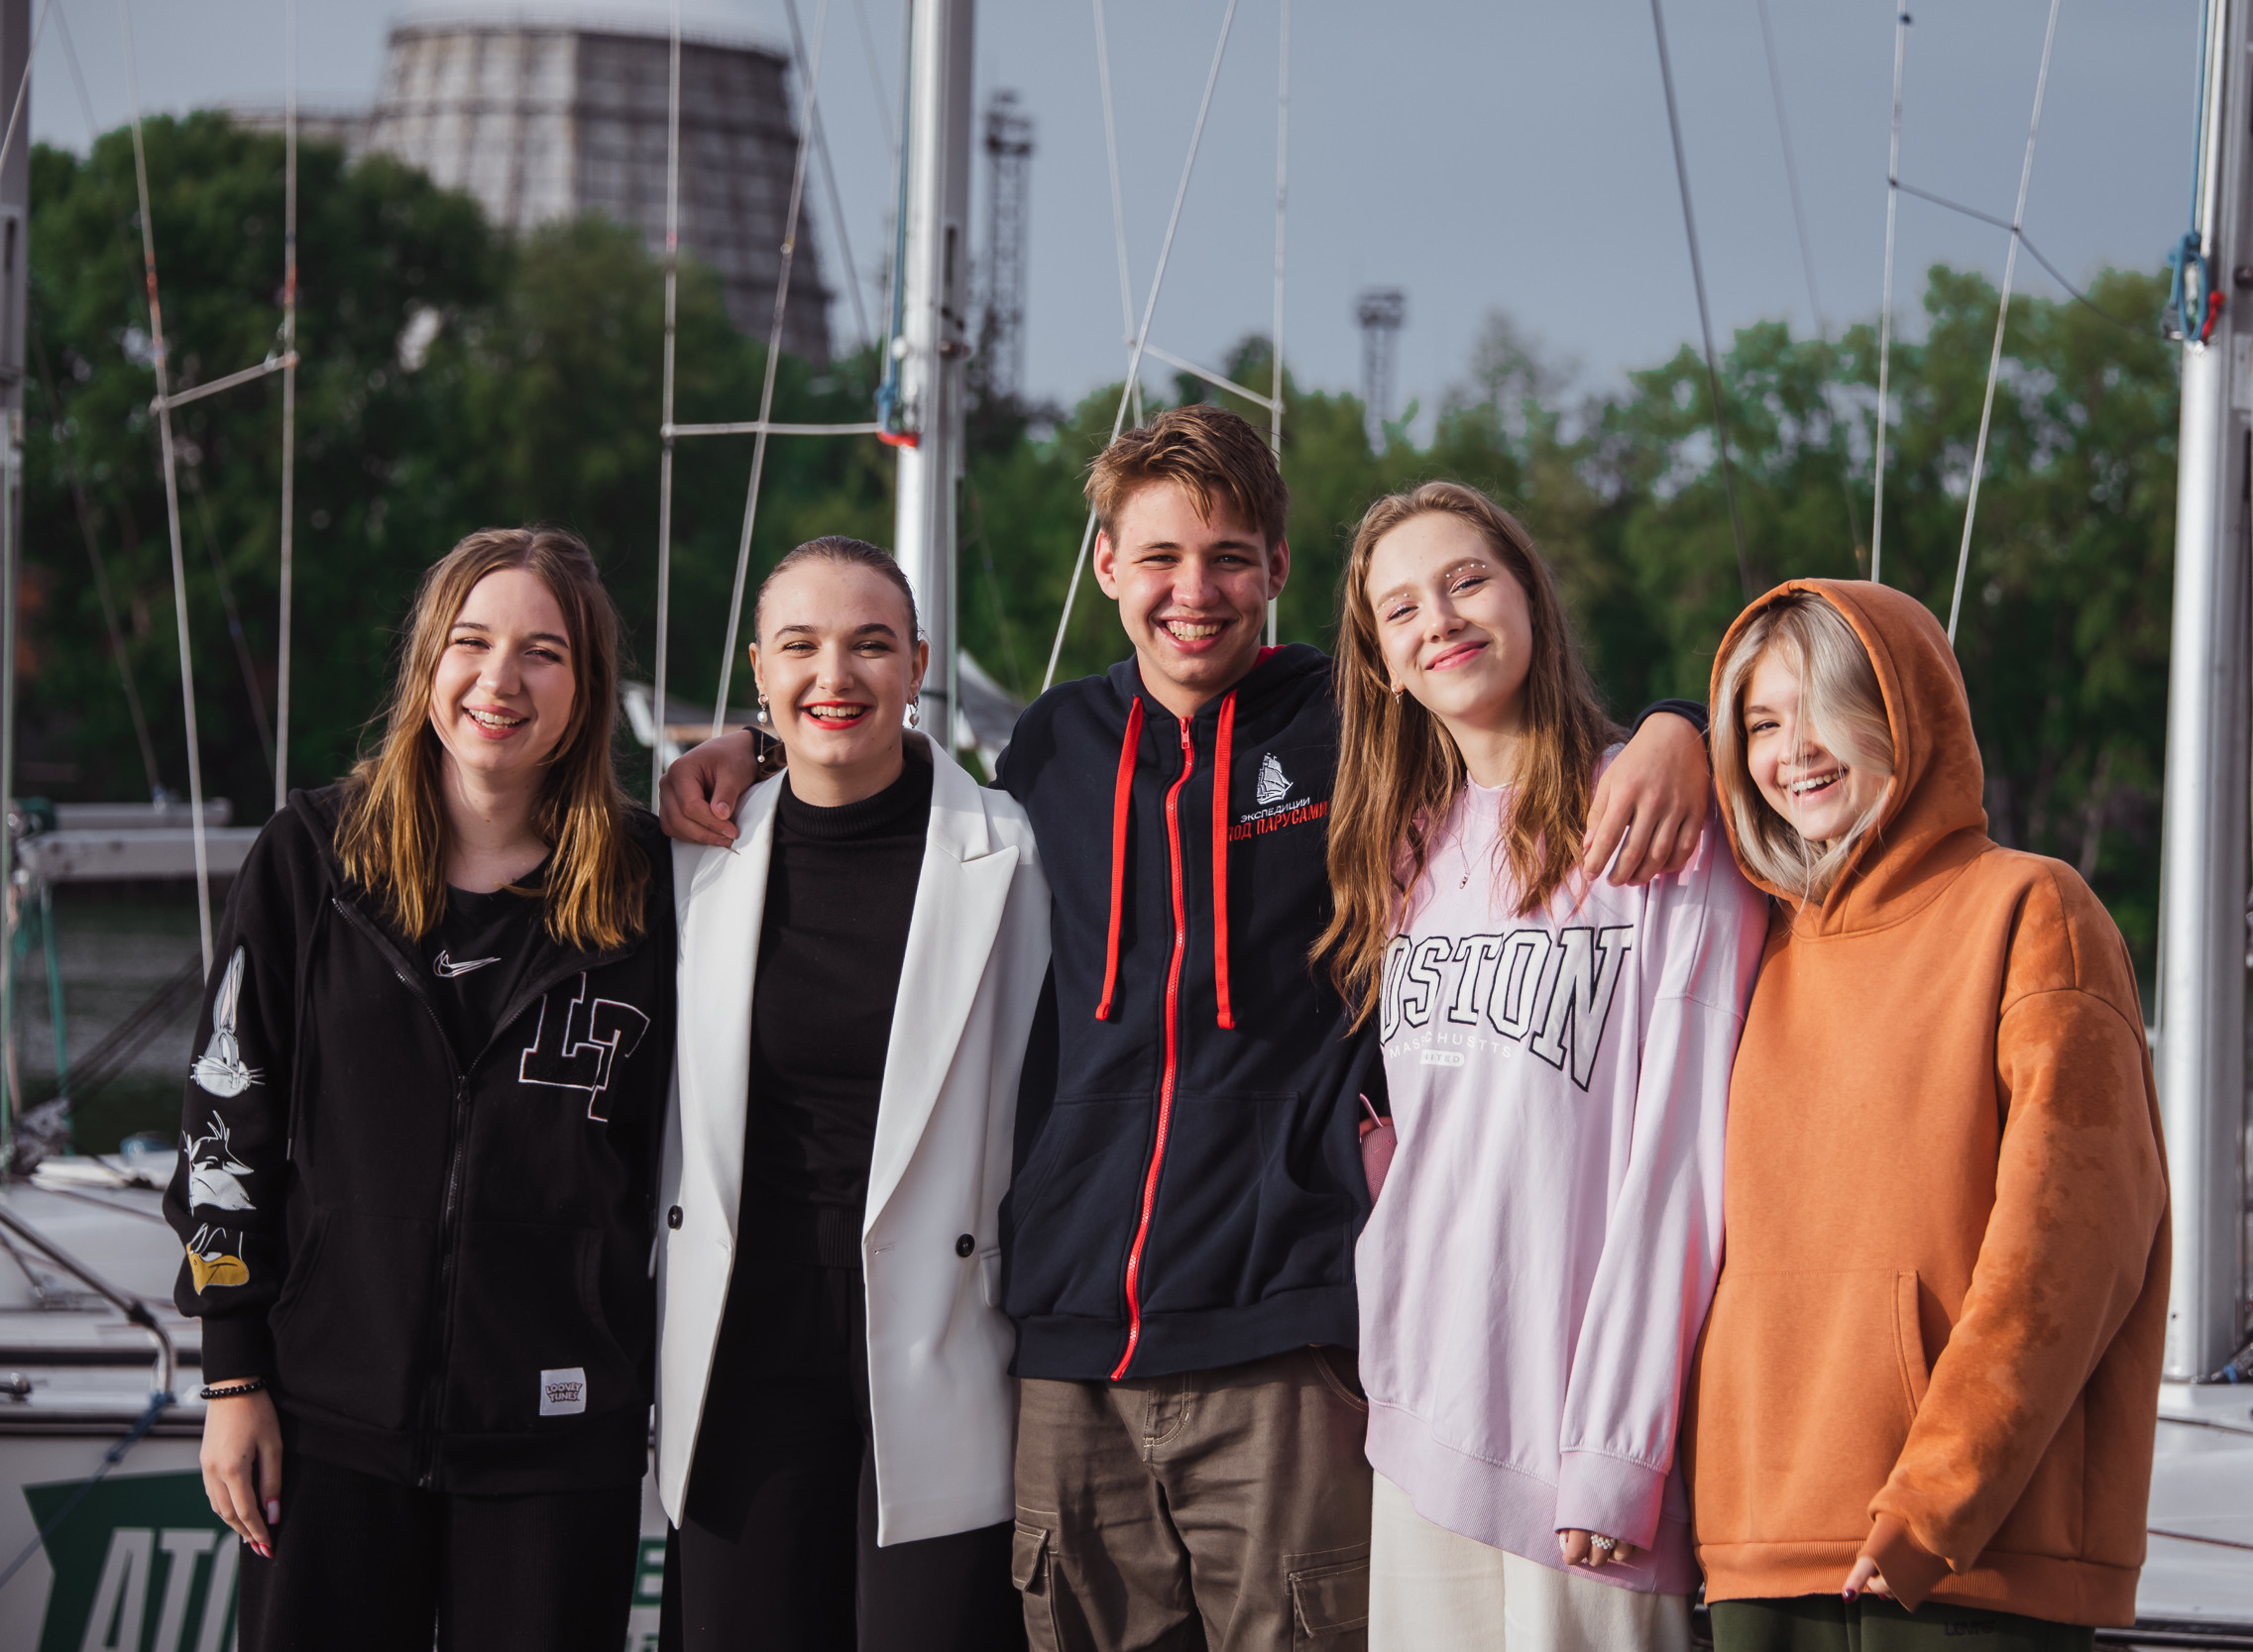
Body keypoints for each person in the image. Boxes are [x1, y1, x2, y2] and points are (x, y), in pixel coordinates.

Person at [659, 404, 1714, 1651]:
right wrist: (754, 736)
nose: (1191, 591)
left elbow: (1505, 714)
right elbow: (875, 751)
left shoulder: (1354, 724)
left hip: (1283, 1335)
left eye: (1226, 557)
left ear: (1274, 569)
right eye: (1158, 558)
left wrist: (1673, 723)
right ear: (1106, 567)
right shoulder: (1050, 745)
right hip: (1067, 1341)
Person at [168, 526, 674, 1651]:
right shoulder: (313, 856)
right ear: (427, 666)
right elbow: (223, 1125)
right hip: (326, 1423)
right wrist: (232, 1371)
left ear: (587, 686)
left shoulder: (652, 887)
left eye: (543, 651)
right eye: (471, 641)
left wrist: (742, 747)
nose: (500, 680)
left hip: (556, 1436)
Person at [1314, 482, 1766, 1651]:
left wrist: (1619, 1450)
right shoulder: (1402, 850)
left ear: (1528, 596)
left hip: (1580, 1455)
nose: (1441, 619)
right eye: (1400, 607)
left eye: (1466, 579)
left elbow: (1681, 1165)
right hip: (1419, 1417)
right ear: (1382, 665)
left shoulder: (1664, 825)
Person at [1688, 581, 2169, 1652]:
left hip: (1971, 1554)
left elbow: (2071, 1247)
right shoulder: (1746, 942)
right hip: (1757, 1537)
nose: (1791, 750)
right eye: (1762, 722)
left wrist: (1938, 1497)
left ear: (1904, 713)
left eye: (1822, 709)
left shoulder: (2032, 908)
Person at [654, 536, 1048, 1651]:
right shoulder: (692, 857)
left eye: (871, 643)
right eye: (802, 647)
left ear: (917, 662)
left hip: (942, 1331)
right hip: (742, 1339)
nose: (836, 675)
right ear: (759, 671)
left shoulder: (1013, 852)